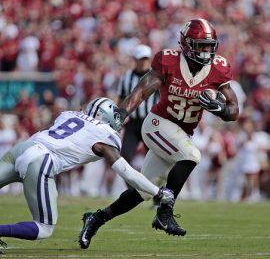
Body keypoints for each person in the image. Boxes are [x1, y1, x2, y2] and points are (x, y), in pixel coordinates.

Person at [79, 18, 239, 249]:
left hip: (179, 133)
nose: (206, 51)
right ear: (185, 44)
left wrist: (222, 110)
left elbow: (234, 110)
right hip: (156, 124)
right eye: (200, 45)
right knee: (191, 155)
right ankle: (165, 212)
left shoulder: (218, 67)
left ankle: (95, 218)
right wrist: (121, 117)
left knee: (142, 191)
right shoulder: (168, 61)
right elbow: (142, 91)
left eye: (208, 45)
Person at [0, 97, 174, 247]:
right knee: (44, 228)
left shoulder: (69, 114)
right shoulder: (105, 135)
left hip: (22, 148)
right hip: (40, 161)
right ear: (104, 116)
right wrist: (157, 192)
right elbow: (127, 172)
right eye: (114, 119)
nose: (117, 125)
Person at [117, 44, 159, 166]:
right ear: (134, 59)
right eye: (140, 59)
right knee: (124, 155)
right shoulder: (126, 77)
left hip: (150, 121)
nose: (143, 62)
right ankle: (131, 185)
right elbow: (121, 98)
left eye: (145, 59)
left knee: (155, 155)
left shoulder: (155, 76)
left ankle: (157, 184)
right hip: (133, 122)